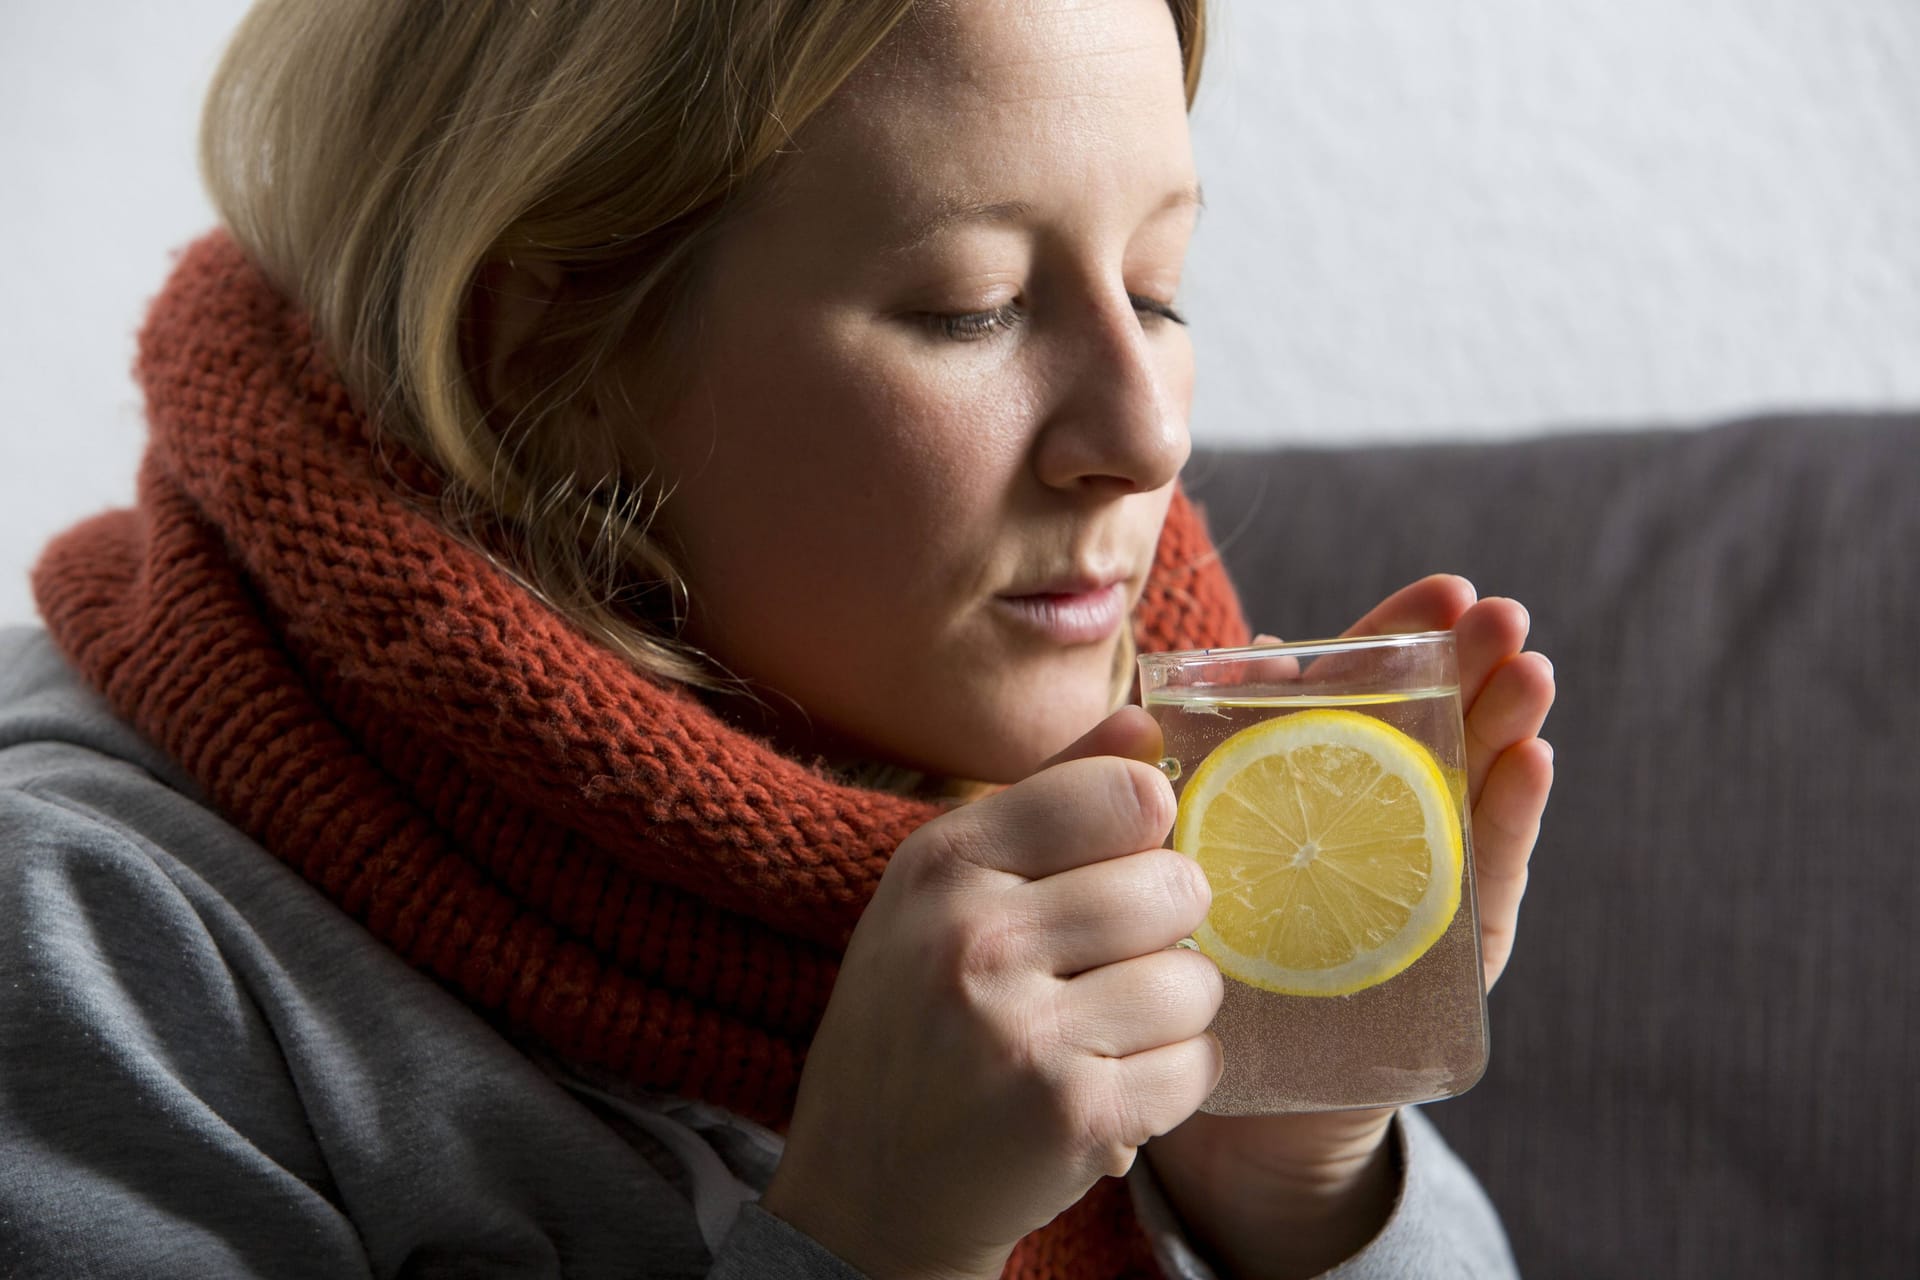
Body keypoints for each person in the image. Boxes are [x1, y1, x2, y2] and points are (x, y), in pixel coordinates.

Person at [0, 0, 1556, 1276]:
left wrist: (1293, 1182)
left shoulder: (1127, 784)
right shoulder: (90, 938)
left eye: (1158, 290)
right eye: (976, 307)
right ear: (547, 351)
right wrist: (873, 1239)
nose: (1147, 439)